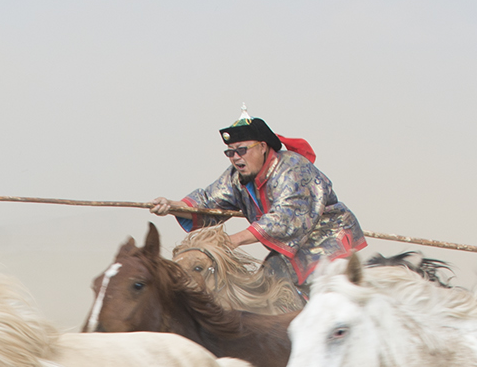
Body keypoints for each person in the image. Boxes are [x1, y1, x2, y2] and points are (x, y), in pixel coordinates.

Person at [147, 112, 366, 292]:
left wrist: (232, 240)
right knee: (263, 290)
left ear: (262, 147)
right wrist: (172, 205)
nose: (235, 158)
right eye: (230, 152)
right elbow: (207, 202)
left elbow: (285, 217)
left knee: (323, 301)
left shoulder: (293, 167)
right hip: (289, 253)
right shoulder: (236, 177)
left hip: (327, 244)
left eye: (242, 150)